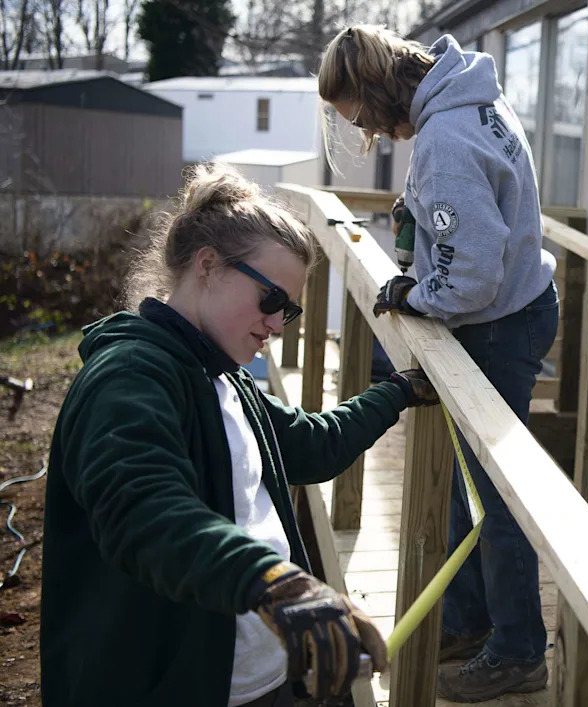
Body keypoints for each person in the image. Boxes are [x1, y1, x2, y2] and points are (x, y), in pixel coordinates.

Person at [39, 163, 440, 707]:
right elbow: (144, 509)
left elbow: (311, 445)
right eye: (272, 301)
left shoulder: (223, 377)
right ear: (207, 266)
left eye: (290, 311)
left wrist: (396, 392)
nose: (278, 325)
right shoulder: (128, 377)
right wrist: (276, 582)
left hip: (264, 677)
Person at [318, 26, 559, 703]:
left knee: (497, 492)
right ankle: (466, 620)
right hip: (520, 305)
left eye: (363, 117)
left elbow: (472, 277)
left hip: (499, 324)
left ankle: (517, 650)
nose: (371, 132)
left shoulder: (445, 144)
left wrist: (414, 293)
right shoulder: (469, 99)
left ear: (379, 89)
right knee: (468, 482)